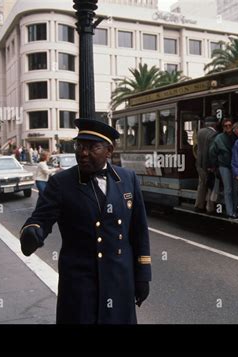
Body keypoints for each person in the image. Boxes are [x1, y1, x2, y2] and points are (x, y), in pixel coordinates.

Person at [19, 119, 151, 324]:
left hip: (119, 280)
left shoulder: (127, 179)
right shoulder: (61, 183)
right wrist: (33, 232)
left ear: (109, 150)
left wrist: (143, 275)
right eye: (79, 146)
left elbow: (139, 230)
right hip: (80, 283)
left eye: (92, 147)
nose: (83, 152)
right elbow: (40, 219)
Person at [209, 118, 238, 219]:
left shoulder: (236, 137)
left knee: (235, 189)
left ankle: (234, 210)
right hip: (224, 166)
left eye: (230, 125)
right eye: (226, 126)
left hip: (234, 166)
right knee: (228, 189)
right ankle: (230, 212)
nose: (228, 127)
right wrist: (215, 166)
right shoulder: (219, 138)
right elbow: (212, 152)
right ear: (223, 127)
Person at [195, 116, 219, 213]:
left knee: (201, 184)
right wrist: (212, 166)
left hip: (199, 163)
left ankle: (199, 205)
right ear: (214, 124)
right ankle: (210, 207)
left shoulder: (200, 132)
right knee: (210, 185)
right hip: (208, 164)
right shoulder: (214, 134)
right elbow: (211, 152)